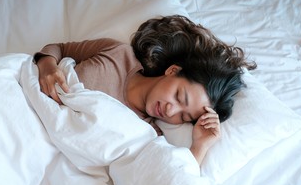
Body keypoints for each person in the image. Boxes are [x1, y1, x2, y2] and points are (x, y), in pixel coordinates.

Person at [33, 15, 255, 165]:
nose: (171, 111)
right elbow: (60, 49)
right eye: (179, 96)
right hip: (29, 105)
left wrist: (200, 146)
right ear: (172, 71)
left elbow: (171, 181)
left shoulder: (147, 134)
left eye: (184, 116)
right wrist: (47, 65)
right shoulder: (118, 53)